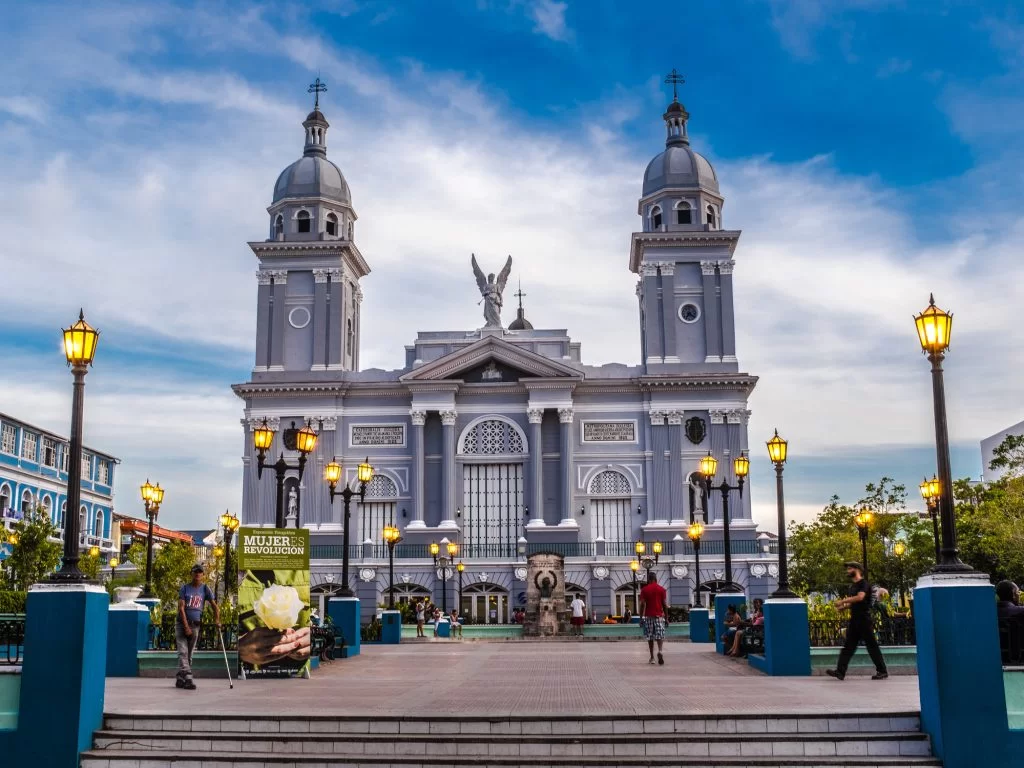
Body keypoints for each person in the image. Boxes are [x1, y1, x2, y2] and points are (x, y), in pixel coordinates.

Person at [827, 561, 888, 681]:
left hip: (864, 620)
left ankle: (882, 671)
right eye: (848, 569)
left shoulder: (863, 584)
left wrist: (843, 601)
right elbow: (854, 603)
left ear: (857, 570)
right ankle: (840, 672)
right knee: (848, 646)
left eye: (850, 569)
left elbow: (860, 597)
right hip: (855, 620)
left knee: (872, 646)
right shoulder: (853, 587)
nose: (848, 571)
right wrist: (843, 607)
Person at [176, 564, 220, 690]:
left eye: (200, 572)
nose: (197, 574)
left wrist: (217, 620)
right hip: (181, 624)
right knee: (183, 652)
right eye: (195, 572)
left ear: (203, 575)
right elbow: (181, 608)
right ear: (192, 573)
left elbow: (214, 606)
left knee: (189, 655)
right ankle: (188, 678)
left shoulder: (205, 589)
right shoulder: (185, 588)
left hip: (195, 625)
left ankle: (180, 677)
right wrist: (185, 626)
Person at [638, 573, 669, 665]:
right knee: (660, 636)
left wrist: (640, 618)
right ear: (656, 579)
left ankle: (652, 657)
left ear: (648, 580)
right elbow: (664, 605)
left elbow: (642, 604)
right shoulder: (661, 589)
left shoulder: (644, 590)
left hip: (649, 617)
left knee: (650, 637)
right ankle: (660, 651)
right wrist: (666, 618)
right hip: (659, 617)